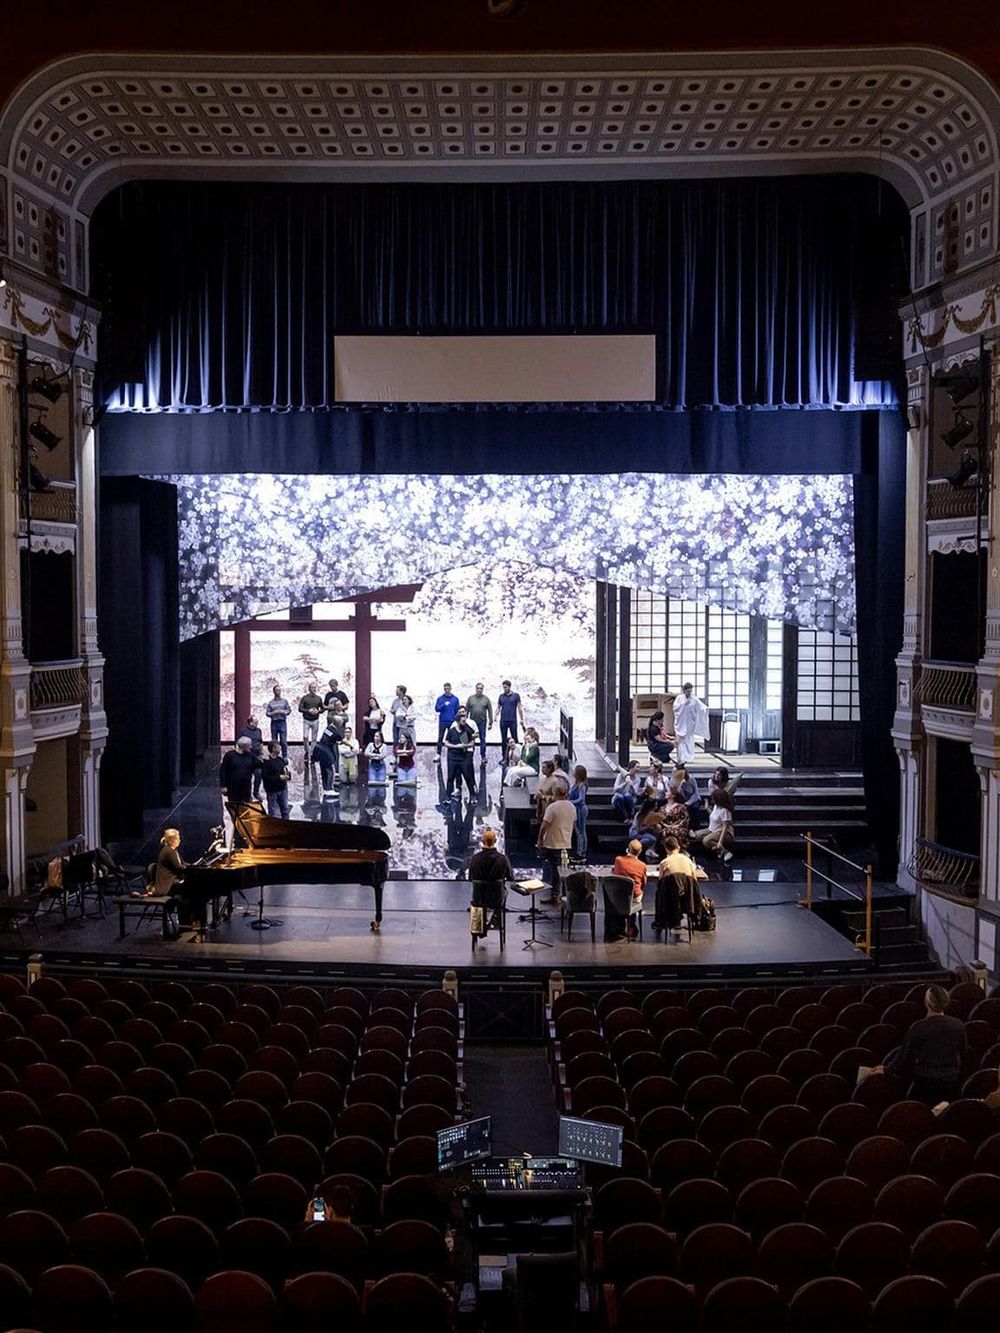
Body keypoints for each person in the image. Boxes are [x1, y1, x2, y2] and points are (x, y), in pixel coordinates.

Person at [876, 984, 968, 1104]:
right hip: (951, 1082)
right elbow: (964, 1053)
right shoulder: (958, 1025)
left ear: (927, 1003)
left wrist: (885, 1069)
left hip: (924, 1084)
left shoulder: (918, 1027)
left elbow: (903, 1059)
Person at [655, 835, 706, 940]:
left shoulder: (664, 863)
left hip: (670, 899)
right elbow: (694, 880)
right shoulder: (688, 861)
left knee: (659, 894)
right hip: (688, 898)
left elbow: (660, 883)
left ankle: (660, 922)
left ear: (666, 849)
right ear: (678, 847)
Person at [468, 828, 512, 938]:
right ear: (495, 841)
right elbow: (510, 877)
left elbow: (470, 878)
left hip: (479, 898)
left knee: (478, 897)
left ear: (482, 842)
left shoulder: (475, 859)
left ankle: (478, 927)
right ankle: (496, 918)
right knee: (504, 892)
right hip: (496, 897)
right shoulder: (502, 859)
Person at [537, 788, 576, 901]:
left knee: (555, 871)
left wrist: (540, 839)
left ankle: (555, 895)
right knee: (564, 870)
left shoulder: (552, 807)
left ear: (555, 794)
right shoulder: (572, 807)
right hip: (566, 843)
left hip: (553, 843)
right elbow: (573, 825)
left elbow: (544, 825)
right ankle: (565, 894)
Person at [152, 827, 185, 940]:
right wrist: (193, 870)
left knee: (185, 893)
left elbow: (182, 863)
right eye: (178, 838)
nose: (180, 840)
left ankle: (185, 922)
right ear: (172, 840)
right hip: (166, 886)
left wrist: (195, 865)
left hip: (172, 883)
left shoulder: (173, 851)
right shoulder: (168, 851)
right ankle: (185, 922)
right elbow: (178, 867)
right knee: (186, 894)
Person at [612, 839, 647, 940]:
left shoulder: (618, 860)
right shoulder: (642, 865)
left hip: (619, 896)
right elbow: (643, 884)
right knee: (638, 893)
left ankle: (619, 926)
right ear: (640, 852)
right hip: (634, 896)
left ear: (628, 849)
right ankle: (631, 925)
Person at [690, 787, 735, 862]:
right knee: (696, 835)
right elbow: (714, 817)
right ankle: (717, 850)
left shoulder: (725, 811)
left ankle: (724, 851)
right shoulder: (716, 806)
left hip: (723, 832)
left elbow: (725, 827)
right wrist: (707, 808)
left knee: (706, 841)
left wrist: (720, 841)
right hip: (712, 829)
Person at [443, 706, 478, 799]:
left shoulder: (466, 730)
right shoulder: (452, 729)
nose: (464, 722)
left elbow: (470, 742)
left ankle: (473, 792)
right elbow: (446, 742)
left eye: (464, 712)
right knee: (451, 776)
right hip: (453, 756)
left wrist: (464, 745)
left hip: (464, 756)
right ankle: (450, 794)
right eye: (461, 712)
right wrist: (456, 746)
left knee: (468, 774)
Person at [673, 682, 709, 764]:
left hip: (690, 723)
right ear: (684, 690)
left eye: (690, 691)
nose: (689, 693)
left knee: (689, 740)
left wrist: (705, 709)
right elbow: (675, 708)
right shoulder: (679, 698)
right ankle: (681, 758)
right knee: (680, 741)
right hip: (680, 723)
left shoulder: (694, 699)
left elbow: (701, 706)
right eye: (688, 691)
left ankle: (688, 757)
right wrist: (683, 705)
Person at [220, 736, 256, 805]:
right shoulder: (229, 755)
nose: (251, 747)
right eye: (249, 745)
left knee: (246, 806)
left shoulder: (250, 755)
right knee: (234, 805)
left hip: (246, 786)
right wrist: (223, 786)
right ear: (244, 746)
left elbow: (258, 764)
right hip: (233, 787)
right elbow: (223, 770)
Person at [260, 741, 291, 819]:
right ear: (273, 749)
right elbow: (266, 778)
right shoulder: (267, 762)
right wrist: (279, 777)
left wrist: (288, 776)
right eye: (278, 747)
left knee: (285, 809)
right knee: (272, 812)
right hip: (272, 791)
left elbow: (285, 771)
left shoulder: (280, 760)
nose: (280, 748)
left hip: (282, 789)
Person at [466, 681, 494, 760]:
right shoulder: (470, 698)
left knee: (482, 739)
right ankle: (470, 754)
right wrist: (465, 721)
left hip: (482, 722)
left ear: (483, 689)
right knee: (471, 739)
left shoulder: (486, 699)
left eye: (481, 689)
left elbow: (490, 711)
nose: (479, 690)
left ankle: (483, 756)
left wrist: (490, 722)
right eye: (478, 688)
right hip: (472, 723)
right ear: (475, 689)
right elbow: (466, 710)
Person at [496, 680, 525, 754]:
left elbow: (519, 708)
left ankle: (518, 754)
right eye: (503, 687)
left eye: (505, 687)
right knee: (504, 739)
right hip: (503, 721)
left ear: (509, 687)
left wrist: (521, 719)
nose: (504, 689)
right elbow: (498, 707)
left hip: (513, 720)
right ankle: (504, 756)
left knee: (515, 738)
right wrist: (495, 716)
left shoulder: (516, 696)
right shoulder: (501, 696)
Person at [672, 764, 704, 828]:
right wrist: (681, 786)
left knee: (693, 808)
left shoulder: (691, 779)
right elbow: (675, 793)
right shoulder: (673, 780)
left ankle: (694, 827)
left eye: (675, 772)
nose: (673, 773)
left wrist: (688, 803)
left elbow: (695, 793)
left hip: (693, 799)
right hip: (681, 799)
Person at [568, 764, 589, 861]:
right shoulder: (575, 784)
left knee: (581, 831)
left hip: (580, 809)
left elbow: (581, 799)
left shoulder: (582, 785)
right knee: (578, 832)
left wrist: (570, 802)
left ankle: (582, 853)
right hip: (574, 809)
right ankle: (578, 852)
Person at [659, 785, 690, 849]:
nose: (666, 793)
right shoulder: (662, 808)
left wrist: (676, 825)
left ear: (673, 795)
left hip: (678, 827)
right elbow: (660, 820)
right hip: (666, 827)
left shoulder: (680, 807)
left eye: (668, 792)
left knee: (674, 832)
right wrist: (666, 826)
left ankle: (679, 849)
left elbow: (685, 819)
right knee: (664, 832)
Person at [298, 684, 324, 761]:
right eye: (312, 688)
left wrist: (318, 711)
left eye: (315, 688)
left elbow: (322, 709)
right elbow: (300, 708)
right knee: (305, 736)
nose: (314, 689)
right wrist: (308, 711)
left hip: (315, 720)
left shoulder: (319, 698)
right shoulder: (305, 698)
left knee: (314, 738)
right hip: (306, 720)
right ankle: (307, 750)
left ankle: (312, 753)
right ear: (309, 689)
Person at [265, 684, 291, 759]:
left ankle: (285, 756)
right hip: (274, 723)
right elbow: (267, 713)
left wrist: (282, 711)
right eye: (277, 690)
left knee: (283, 741)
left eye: (279, 690)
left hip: (282, 722)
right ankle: (274, 756)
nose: (278, 692)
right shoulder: (271, 702)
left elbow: (288, 711)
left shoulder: (285, 701)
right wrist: (274, 713)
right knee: (274, 741)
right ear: (274, 691)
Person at [435, 683, 460, 758]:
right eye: (445, 689)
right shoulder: (440, 698)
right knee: (440, 737)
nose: (447, 690)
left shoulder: (455, 699)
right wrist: (443, 704)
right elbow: (437, 709)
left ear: (450, 688)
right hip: (443, 721)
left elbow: (457, 710)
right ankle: (438, 754)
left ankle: (452, 753)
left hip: (452, 722)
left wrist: (457, 721)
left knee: (452, 738)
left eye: (448, 688)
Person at [314, 723, 341, 795]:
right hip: (326, 752)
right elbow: (341, 740)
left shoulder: (327, 728)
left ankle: (325, 788)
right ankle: (329, 789)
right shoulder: (335, 732)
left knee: (323, 770)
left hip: (319, 749)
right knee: (331, 770)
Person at [243, 715, 264, 799]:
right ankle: (248, 794)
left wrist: (262, 753)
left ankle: (256, 792)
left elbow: (261, 742)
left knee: (258, 775)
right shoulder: (244, 731)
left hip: (257, 756)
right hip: (248, 756)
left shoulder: (259, 731)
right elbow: (240, 743)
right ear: (251, 723)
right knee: (248, 776)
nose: (257, 724)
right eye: (255, 722)